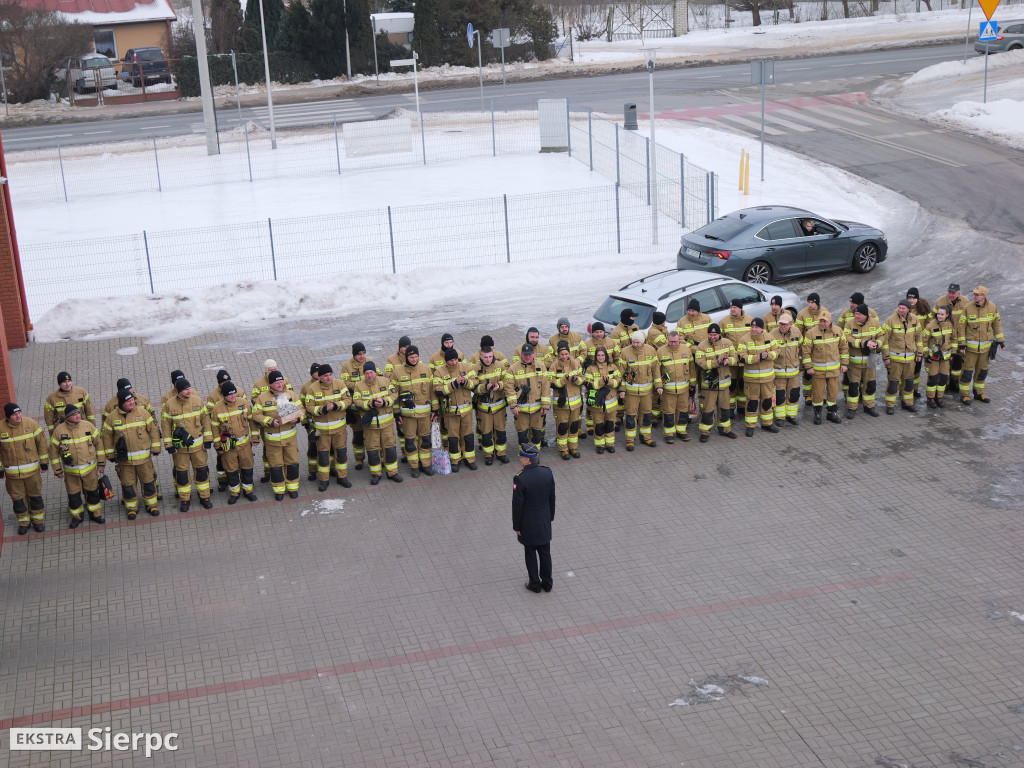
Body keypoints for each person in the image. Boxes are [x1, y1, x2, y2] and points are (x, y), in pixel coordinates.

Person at [100, 389, 161, 519]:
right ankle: (132, 508)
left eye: (133, 400)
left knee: (148, 482)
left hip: (144, 460)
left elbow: (153, 430)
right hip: (125, 461)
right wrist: (110, 454)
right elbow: (106, 436)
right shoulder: (112, 417)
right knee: (128, 486)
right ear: (121, 403)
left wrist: (156, 447)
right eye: (129, 401)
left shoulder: (143, 413)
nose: (132, 402)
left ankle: (152, 505)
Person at [49, 402, 106, 527]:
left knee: (93, 493)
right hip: (71, 473)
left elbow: (99, 444)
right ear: (67, 417)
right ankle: (77, 517)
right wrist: (57, 470)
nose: (77, 416)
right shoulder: (59, 431)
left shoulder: (88, 426)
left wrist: (101, 463)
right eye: (74, 414)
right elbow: (53, 453)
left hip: (90, 470)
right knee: (74, 496)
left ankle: (95, 514)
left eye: (78, 413)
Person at [162, 377, 214, 512]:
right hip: (180, 450)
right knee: (182, 475)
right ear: (179, 391)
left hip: (198, 447)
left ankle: (205, 497)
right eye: (185, 389)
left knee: (202, 472)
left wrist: (208, 440)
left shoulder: (198, 401)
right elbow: (166, 427)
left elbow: (206, 421)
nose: (189, 391)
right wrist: (169, 445)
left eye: (189, 388)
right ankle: (185, 499)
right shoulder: (169, 405)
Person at [512, 443, 555, 594]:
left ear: (527, 459)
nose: (520, 459)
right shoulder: (547, 472)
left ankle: (535, 584)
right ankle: (547, 583)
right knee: (545, 553)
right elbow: (552, 497)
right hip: (544, 521)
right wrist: (550, 517)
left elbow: (517, 505)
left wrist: (517, 526)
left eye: (521, 457)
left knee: (530, 554)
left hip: (528, 524)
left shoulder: (520, 478)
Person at [302, 363, 353, 490]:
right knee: (323, 456)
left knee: (341, 454)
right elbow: (309, 407)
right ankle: (324, 480)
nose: (329, 377)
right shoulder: (312, 388)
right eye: (325, 375)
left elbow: (348, 400)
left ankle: (342, 477)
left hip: (340, 429)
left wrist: (336, 405)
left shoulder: (340, 384)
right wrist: (323, 409)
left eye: (330, 374)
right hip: (321, 430)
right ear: (320, 377)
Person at [252, 370, 302, 499]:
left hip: (290, 439)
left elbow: (302, 409)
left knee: (292, 463)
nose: (280, 385)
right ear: (270, 385)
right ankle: (279, 490)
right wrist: (270, 421)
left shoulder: (291, 394)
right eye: (277, 383)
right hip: (273, 441)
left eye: (281, 382)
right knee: (276, 466)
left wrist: (297, 418)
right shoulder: (262, 398)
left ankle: (293, 488)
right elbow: (256, 415)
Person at [208, 382, 259, 504]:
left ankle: (248, 491)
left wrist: (255, 437)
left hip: (245, 444)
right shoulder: (217, 409)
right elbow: (214, 429)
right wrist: (217, 446)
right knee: (231, 470)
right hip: (228, 446)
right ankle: (234, 493)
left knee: (247, 467)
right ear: (224, 395)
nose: (233, 396)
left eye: (234, 393)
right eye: (230, 394)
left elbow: (252, 421)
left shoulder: (244, 403)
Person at [1, 403, 48, 534]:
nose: (18, 416)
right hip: (13, 476)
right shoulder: (1, 428)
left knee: (35, 497)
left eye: (19, 413)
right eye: (14, 414)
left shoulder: (30, 424)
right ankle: (24, 523)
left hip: (32, 473)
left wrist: (44, 462)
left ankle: (38, 521)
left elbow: (42, 443)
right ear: (8, 417)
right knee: (18, 500)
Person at [352, 362, 402, 484]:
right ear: (364, 374)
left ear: (375, 372)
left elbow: (395, 395)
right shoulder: (359, 386)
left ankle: (392, 472)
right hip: (371, 427)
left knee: (390, 448)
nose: (369, 375)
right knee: (372, 450)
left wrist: (384, 402)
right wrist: (370, 404)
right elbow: (357, 401)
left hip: (387, 425)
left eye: (371, 372)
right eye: (367, 373)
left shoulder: (385, 381)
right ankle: (376, 474)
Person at [392, 346, 438, 477]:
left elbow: (432, 392)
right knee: (410, 442)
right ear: (406, 357)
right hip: (408, 416)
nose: (414, 359)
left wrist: (435, 409)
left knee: (425, 440)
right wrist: (396, 413)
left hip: (425, 415)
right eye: (411, 357)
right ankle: (414, 466)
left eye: (416, 357)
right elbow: (394, 395)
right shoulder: (397, 372)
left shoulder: (426, 369)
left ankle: (426, 465)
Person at [958, 285, 1005, 404]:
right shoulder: (968, 308)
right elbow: (961, 327)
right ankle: (964, 395)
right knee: (967, 372)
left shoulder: (993, 308)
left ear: (983, 296)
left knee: (982, 372)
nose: (974, 296)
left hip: (986, 350)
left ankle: (979, 393)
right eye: (974, 294)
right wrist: (962, 344)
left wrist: (1000, 340)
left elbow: (997, 325)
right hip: (970, 350)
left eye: (977, 294)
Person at [433, 349, 479, 471]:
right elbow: (438, 390)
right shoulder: (439, 372)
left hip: (466, 411)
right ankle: (455, 460)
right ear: (446, 361)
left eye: (455, 359)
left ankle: (469, 459)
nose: (454, 362)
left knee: (468, 435)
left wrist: (465, 382)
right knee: (453, 437)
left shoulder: (466, 367)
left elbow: (475, 383)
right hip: (450, 413)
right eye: (451, 360)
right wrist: (454, 384)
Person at [801, 310, 849, 425]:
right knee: (818, 393)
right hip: (817, 371)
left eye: (824, 321)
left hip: (834, 371)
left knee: (833, 392)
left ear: (830, 321)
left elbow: (844, 348)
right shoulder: (811, 333)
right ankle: (817, 414)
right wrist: (808, 367)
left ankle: (831, 413)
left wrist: (844, 364)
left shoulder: (838, 331)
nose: (822, 323)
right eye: (820, 321)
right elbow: (806, 352)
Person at [694, 323, 737, 442]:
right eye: (710, 334)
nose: (713, 337)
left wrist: (729, 360)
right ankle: (704, 432)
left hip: (724, 385)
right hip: (709, 386)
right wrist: (716, 362)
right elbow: (700, 363)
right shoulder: (701, 346)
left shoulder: (728, 343)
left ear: (719, 334)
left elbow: (735, 358)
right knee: (707, 410)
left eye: (715, 335)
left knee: (725, 409)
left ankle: (725, 430)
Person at [251, 360, 293, 481]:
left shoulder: (284, 380)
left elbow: (290, 395)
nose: (273, 371)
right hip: (267, 423)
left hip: (284, 421)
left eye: (275, 369)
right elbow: (254, 400)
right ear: (266, 370)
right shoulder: (258, 384)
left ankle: (283, 472)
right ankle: (268, 471)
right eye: (271, 370)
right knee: (268, 450)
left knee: (286, 452)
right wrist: (266, 402)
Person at [617, 331, 659, 450]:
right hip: (631, 393)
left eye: (637, 342)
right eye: (633, 342)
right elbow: (621, 374)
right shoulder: (625, 352)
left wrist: (659, 386)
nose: (635, 345)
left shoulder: (651, 351)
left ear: (643, 342)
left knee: (646, 415)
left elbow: (656, 370)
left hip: (647, 393)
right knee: (631, 416)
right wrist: (621, 389)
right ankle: (630, 440)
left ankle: (646, 437)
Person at [505, 343, 550, 451]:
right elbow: (509, 388)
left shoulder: (541, 367)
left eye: (530, 354)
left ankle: (534, 455)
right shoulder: (513, 369)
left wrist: (546, 405)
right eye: (525, 354)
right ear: (521, 354)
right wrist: (513, 405)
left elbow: (546, 387)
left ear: (534, 354)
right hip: (521, 411)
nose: (528, 357)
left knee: (536, 436)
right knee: (523, 436)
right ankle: (524, 456)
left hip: (537, 410)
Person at [737, 318, 778, 436]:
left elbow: (776, 352)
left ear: (762, 328)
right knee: (752, 402)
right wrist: (759, 357)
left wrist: (768, 355)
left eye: (756, 327)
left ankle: (767, 424)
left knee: (767, 401)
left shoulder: (770, 337)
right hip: (751, 379)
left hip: (767, 379)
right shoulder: (744, 339)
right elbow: (742, 357)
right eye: (752, 327)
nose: (753, 329)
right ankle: (750, 426)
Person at [881, 299, 922, 414]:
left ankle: (908, 403)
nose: (901, 310)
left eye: (903, 308)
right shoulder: (890, 320)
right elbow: (885, 340)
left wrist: (919, 353)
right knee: (893, 383)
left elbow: (919, 338)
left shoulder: (915, 319)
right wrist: (886, 356)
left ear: (908, 309)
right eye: (899, 307)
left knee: (909, 382)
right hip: (895, 360)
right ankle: (890, 405)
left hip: (910, 360)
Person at [842, 303, 883, 418]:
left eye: (859, 314)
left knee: (870, 384)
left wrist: (877, 343)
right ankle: (852, 408)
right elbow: (847, 338)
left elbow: (881, 336)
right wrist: (863, 343)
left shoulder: (875, 323)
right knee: (853, 386)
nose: (856, 316)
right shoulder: (849, 323)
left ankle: (869, 406)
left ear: (865, 315)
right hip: (855, 362)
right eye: (856, 313)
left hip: (871, 361)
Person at [655, 330, 694, 444]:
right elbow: (656, 371)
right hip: (668, 390)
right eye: (671, 341)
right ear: (667, 339)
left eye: (675, 342)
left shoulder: (686, 349)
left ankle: (681, 431)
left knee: (683, 410)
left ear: (679, 340)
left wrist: (693, 384)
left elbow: (691, 368)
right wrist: (658, 386)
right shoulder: (660, 351)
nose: (673, 344)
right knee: (668, 412)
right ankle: (669, 433)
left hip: (684, 389)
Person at [473, 346, 510, 465]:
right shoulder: (475, 368)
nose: (488, 359)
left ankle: (501, 454)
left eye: (490, 356)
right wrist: (484, 388)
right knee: (486, 433)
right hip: (484, 408)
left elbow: (508, 381)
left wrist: (500, 385)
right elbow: (473, 387)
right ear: (480, 356)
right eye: (485, 357)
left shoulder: (500, 366)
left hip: (499, 407)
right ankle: (488, 455)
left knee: (501, 432)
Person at [549, 341, 584, 459]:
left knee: (574, 426)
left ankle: (573, 447)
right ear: (558, 354)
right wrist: (564, 379)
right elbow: (551, 382)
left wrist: (576, 380)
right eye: (562, 354)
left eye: (566, 354)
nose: (564, 356)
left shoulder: (576, 364)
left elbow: (582, 379)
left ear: (569, 353)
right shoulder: (554, 366)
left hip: (575, 404)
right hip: (561, 404)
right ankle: (563, 449)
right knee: (562, 427)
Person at [767, 313, 803, 425]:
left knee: (794, 394)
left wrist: (800, 364)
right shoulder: (772, 334)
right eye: (781, 324)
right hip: (778, 372)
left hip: (793, 372)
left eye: (785, 324)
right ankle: (779, 417)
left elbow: (801, 348)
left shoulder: (797, 332)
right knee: (779, 395)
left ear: (791, 324)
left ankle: (792, 416)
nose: (782, 326)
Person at [932, 283, 968, 393]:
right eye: (949, 292)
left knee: (957, 362)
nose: (950, 295)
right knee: (945, 362)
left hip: (959, 337)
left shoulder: (965, 302)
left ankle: (954, 382)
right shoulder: (940, 301)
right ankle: (945, 384)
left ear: (958, 293)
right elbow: (933, 318)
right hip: (945, 337)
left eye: (953, 293)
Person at [584, 347, 621, 454]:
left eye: (602, 355)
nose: (600, 357)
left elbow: (618, 381)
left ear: (606, 356)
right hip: (597, 404)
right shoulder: (590, 369)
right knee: (598, 425)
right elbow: (588, 384)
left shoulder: (613, 367)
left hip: (611, 403)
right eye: (598, 355)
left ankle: (610, 444)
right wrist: (601, 382)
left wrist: (609, 381)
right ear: (595, 356)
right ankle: (600, 445)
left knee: (610, 425)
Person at [720, 298, 754, 411]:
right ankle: (730, 408)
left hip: (745, 360)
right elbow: (720, 341)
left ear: (740, 308)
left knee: (743, 384)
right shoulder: (724, 322)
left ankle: (742, 406)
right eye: (731, 307)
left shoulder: (750, 320)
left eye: (734, 307)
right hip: (731, 361)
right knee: (732, 384)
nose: (732, 309)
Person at [921, 305, 956, 409]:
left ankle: (939, 397)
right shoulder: (930, 325)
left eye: (942, 314)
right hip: (933, 358)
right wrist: (926, 355)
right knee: (933, 378)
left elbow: (954, 339)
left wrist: (953, 353)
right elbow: (923, 341)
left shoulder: (950, 325)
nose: (939, 316)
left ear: (947, 315)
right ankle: (931, 398)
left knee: (943, 378)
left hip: (945, 358)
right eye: (938, 314)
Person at [796, 293, 828, 404]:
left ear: (817, 303)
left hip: (821, 349)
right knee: (807, 374)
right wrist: (802, 347)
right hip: (807, 349)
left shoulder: (824, 312)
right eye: (809, 302)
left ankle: (820, 395)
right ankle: (807, 396)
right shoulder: (802, 314)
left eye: (812, 302)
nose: (810, 305)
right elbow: (797, 332)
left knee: (821, 374)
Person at [206, 370, 233, 491]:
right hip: (223, 434)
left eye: (228, 381)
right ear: (219, 383)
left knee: (236, 459)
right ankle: (222, 481)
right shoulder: (212, 396)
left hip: (235, 432)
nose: (226, 383)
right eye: (224, 382)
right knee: (222, 459)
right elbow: (210, 415)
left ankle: (235, 480)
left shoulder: (237, 391)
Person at [299, 363, 323, 481]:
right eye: (315, 372)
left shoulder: (326, 383)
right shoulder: (306, 387)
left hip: (324, 423)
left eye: (319, 372)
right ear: (311, 373)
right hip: (312, 425)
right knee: (313, 447)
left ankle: (331, 468)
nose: (317, 374)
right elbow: (301, 406)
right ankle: (312, 471)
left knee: (327, 447)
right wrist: (305, 423)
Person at [906, 287, 932, 399]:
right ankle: (905, 389)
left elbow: (930, 324)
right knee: (907, 369)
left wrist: (924, 336)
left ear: (917, 298)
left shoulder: (924, 310)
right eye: (909, 298)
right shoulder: (903, 309)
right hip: (907, 345)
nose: (911, 300)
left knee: (917, 369)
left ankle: (915, 389)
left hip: (919, 344)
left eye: (913, 298)